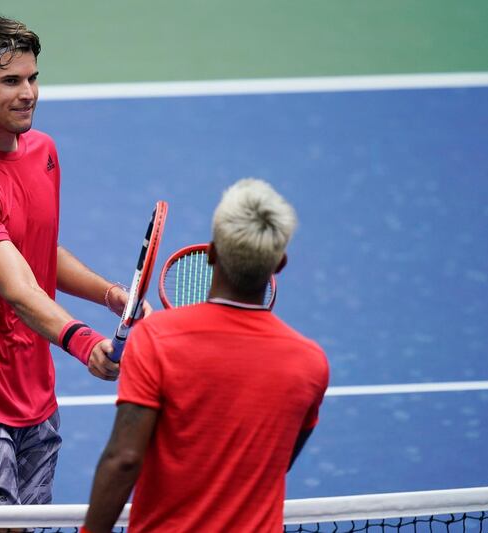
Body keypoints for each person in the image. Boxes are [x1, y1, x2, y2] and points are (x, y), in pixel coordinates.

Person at [0, 15, 147, 508]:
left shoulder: (43, 152)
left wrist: (109, 294)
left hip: (35, 400)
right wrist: (84, 343)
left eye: (33, 77)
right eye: (11, 81)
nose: (29, 93)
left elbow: (36, 251)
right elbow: (17, 287)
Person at [83, 178, 330, 533]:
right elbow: (278, 460)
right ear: (279, 264)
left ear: (211, 254)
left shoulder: (157, 339)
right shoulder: (310, 362)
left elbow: (124, 459)